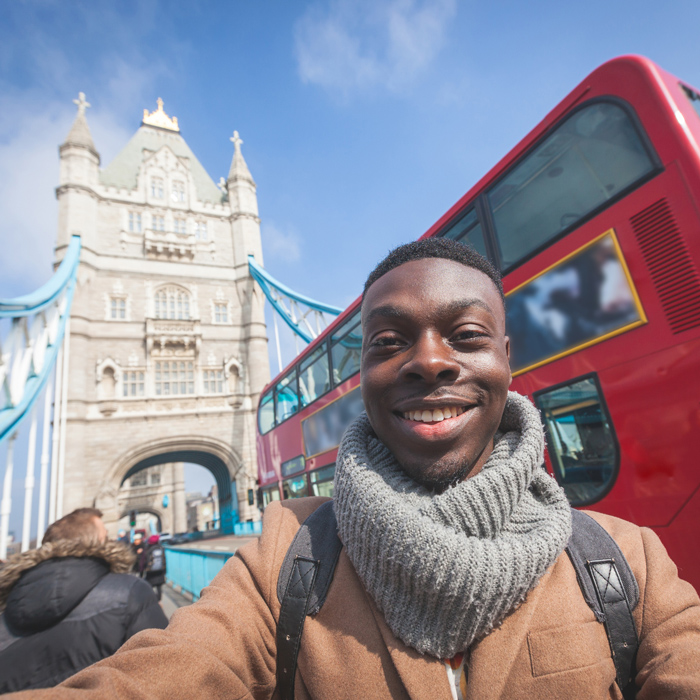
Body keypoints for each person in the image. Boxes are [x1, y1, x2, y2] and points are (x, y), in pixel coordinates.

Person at [6, 239, 700, 699]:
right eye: (389, 341)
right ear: (363, 373)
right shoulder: (285, 559)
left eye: (465, 336)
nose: (429, 362)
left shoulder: (625, 564)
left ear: (508, 361)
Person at [0, 507, 168, 692]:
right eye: (106, 535)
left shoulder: (5, 615)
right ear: (98, 543)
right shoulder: (130, 593)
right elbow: (165, 674)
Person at [141, 535, 166, 601]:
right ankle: (159, 600)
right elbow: (164, 560)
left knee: (149, 586)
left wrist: (142, 571)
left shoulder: (148, 549)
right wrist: (165, 571)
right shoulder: (161, 548)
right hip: (160, 571)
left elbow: (144, 561)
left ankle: (153, 600)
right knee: (159, 586)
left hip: (150, 571)